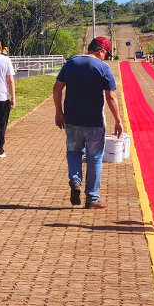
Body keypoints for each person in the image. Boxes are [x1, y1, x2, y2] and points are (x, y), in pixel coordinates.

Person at [53, 37, 123, 209]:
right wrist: (118, 121)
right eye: (106, 54)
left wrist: (58, 112)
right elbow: (111, 96)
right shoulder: (103, 67)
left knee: (74, 152)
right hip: (95, 121)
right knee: (94, 158)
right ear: (101, 51)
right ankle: (92, 198)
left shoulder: (71, 63)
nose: (106, 58)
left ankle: (75, 181)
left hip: (71, 119)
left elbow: (57, 88)